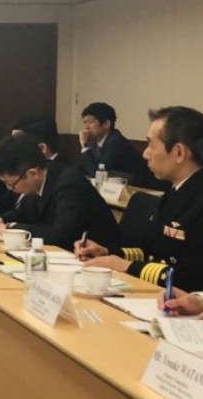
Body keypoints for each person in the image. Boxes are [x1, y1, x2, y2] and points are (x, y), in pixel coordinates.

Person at [77, 107, 203, 291]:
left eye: (151, 145)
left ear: (179, 153)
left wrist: (125, 266)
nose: (145, 154)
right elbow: (151, 254)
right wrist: (108, 253)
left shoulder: (197, 199)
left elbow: (190, 277)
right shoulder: (176, 191)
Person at [0, 135, 120, 250]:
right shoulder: (40, 178)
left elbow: (61, 234)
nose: (10, 189)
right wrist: (0, 219)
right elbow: (23, 214)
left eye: (11, 184)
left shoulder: (69, 184)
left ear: (32, 173)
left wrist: (9, 228)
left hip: (96, 256)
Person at [79, 102, 152, 186]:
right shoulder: (92, 142)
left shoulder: (116, 142)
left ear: (106, 124)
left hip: (140, 188)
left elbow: (98, 174)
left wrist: (84, 146)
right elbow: (82, 167)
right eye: (85, 122)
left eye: (90, 122)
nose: (86, 127)